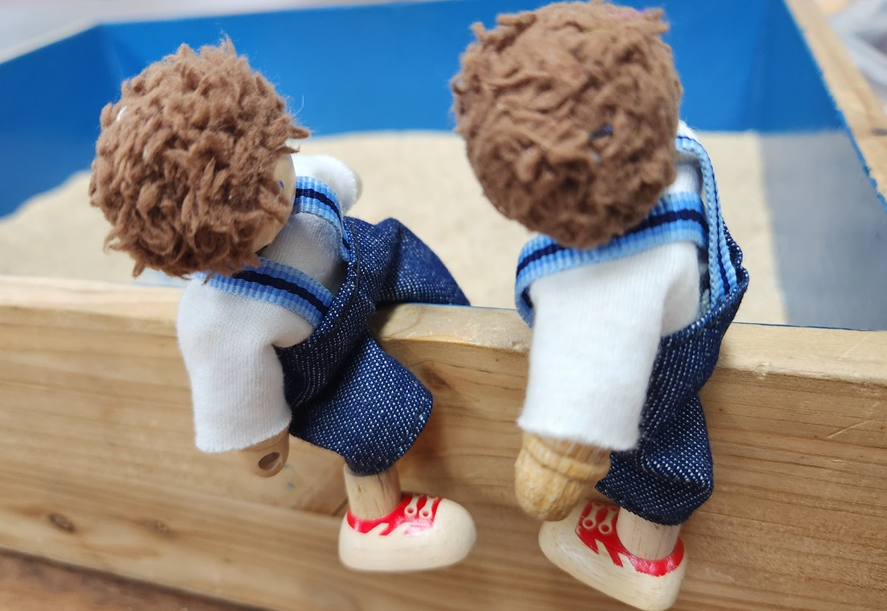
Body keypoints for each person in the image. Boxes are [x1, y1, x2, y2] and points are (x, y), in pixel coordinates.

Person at [90, 39, 476, 572]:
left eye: (275, 168)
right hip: (326, 352)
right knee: (373, 421)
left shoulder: (302, 181)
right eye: (250, 196)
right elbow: (235, 385)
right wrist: (263, 442)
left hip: (367, 259)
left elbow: (334, 180)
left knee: (425, 272)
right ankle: (373, 516)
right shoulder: (219, 312)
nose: (276, 194)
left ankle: (465, 322)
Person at [452, 2, 748, 609]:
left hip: (664, 347)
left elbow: (584, 397)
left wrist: (550, 473)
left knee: (654, 446)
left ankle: (643, 556)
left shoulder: (600, 283)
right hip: (703, 284)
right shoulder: (672, 141)